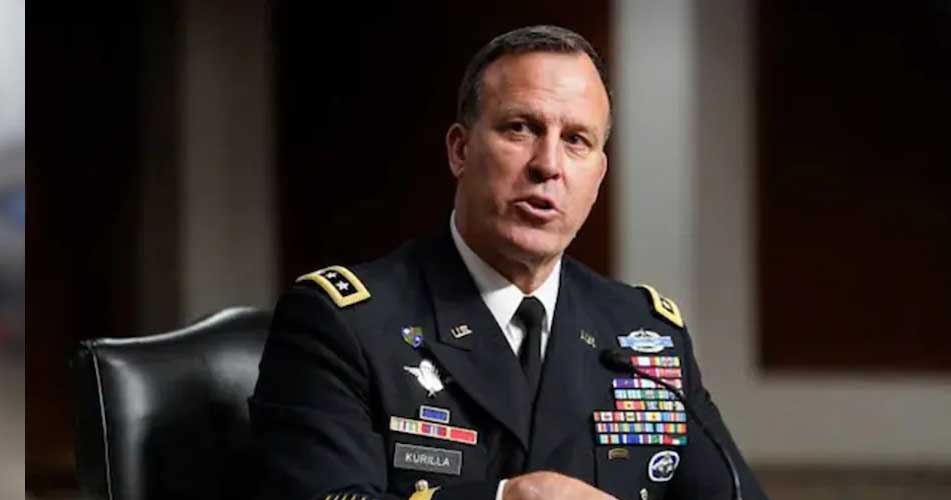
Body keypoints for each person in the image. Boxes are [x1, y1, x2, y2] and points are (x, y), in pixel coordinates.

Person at [250, 25, 769, 500]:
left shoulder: (644, 336)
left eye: (576, 141)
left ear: (598, 175)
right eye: (521, 129)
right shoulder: (345, 325)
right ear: (460, 150)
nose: (548, 165)